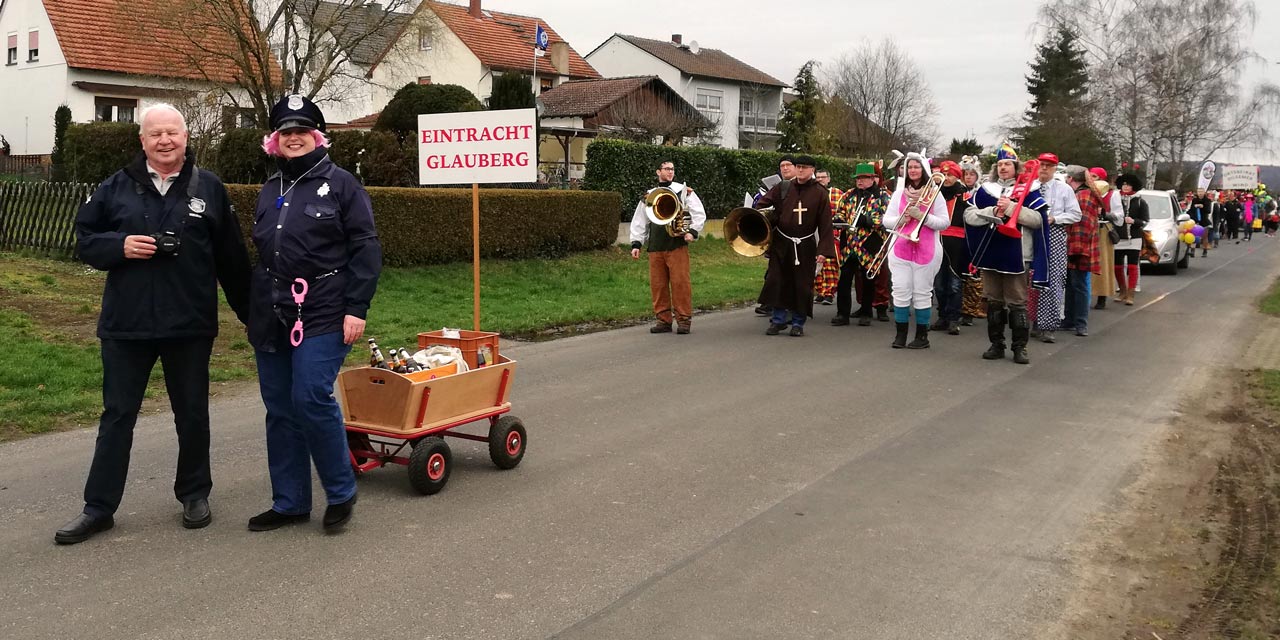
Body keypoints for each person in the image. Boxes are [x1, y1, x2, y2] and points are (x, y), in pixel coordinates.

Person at [59, 104, 251, 545]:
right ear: (141, 141)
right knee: (117, 416)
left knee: (192, 414)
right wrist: (119, 246)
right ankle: (98, 508)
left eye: (173, 132)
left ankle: (195, 493)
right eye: (155, 134)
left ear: (186, 137)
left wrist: (252, 317)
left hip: (189, 323)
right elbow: (84, 242)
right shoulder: (115, 187)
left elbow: (234, 262)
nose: (165, 140)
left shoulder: (211, 189)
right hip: (127, 326)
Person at [246, 95, 382, 533]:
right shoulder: (270, 190)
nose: (294, 137)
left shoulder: (343, 185)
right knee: (280, 408)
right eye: (286, 131)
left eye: (302, 130)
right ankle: (290, 502)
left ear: (317, 136)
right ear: (275, 140)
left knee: (309, 396)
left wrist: (356, 308)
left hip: (325, 309)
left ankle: (341, 491)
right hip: (272, 311)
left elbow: (365, 247)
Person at [964, 143, 1050, 365]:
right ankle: (997, 344)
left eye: (1007, 164)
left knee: (1017, 302)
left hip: (1018, 254)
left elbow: (1037, 220)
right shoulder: (986, 190)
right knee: (993, 301)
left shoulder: (1029, 190)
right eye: (1000, 164)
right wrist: (991, 211)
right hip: (991, 252)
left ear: (1016, 167)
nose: (1003, 168)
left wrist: (1012, 208)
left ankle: (1020, 347)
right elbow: (969, 216)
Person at [755, 155, 835, 336]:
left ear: (812, 170)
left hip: (805, 245)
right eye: (798, 166)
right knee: (776, 281)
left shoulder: (819, 192)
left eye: (804, 167)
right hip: (781, 243)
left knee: (802, 285)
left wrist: (823, 250)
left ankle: (798, 323)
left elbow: (825, 224)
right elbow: (762, 205)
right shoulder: (784, 187)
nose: (800, 170)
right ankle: (778, 320)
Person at [630, 160, 707, 334]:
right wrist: (636, 243)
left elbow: (698, 212)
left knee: (680, 284)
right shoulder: (649, 195)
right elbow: (640, 220)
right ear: (658, 172)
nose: (670, 172)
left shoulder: (683, 190)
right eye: (666, 169)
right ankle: (663, 320)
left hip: (676, 245)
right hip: (656, 246)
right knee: (658, 285)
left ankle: (684, 320)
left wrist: (692, 232)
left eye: (672, 169)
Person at [882, 153, 950, 349]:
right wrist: (900, 220)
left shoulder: (935, 193)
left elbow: (944, 222)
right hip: (901, 248)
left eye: (916, 166)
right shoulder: (898, 193)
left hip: (926, 250)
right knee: (900, 290)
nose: (912, 170)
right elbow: (886, 220)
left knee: (922, 292)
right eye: (909, 167)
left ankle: (922, 336)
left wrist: (923, 216)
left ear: (924, 169)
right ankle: (900, 334)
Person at [1027, 153, 1079, 344]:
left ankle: (1048, 325)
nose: (1044, 169)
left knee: (1052, 279)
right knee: (1031, 279)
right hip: (1031, 233)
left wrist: (1055, 218)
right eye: (1042, 165)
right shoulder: (1030, 187)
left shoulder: (1064, 189)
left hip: (1054, 235)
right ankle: (1031, 320)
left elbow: (1075, 214)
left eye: (1049, 166)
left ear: (1055, 168)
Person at [831, 162, 890, 327]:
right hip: (849, 243)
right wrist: (839, 218)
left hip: (869, 243)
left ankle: (866, 312)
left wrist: (869, 220)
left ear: (873, 179)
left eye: (864, 178)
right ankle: (842, 314)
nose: (860, 181)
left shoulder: (882, 196)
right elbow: (841, 211)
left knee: (868, 279)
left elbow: (886, 217)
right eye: (858, 178)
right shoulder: (849, 195)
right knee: (844, 279)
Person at [1061, 165, 1102, 337]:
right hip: (1077, 244)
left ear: (1071, 179)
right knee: (1071, 284)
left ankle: (1080, 323)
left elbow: (1081, 224)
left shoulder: (1083, 195)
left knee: (1079, 285)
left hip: (1080, 245)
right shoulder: (1083, 193)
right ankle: (1070, 320)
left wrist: (1076, 248)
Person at [755, 155, 797, 316]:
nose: (785, 168)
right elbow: (762, 204)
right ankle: (773, 306)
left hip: (801, 238)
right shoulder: (780, 186)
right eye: (782, 166)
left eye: (788, 165)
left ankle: (793, 309)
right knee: (775, 274)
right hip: (780, 237)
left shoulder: (807, 187)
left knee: (795, 276)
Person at [932, 160, 970, 336]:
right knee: (939, 284)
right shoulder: (934, 194)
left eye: (950, 175)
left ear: (957, 177)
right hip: (937, 240)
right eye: (944, 175)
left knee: (954, 284)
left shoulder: (965, 196)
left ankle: (954, 318)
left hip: (957, 245)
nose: (946, 178)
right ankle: (943, 316)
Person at [1112, 172, 1149, 305]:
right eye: (1124, 184)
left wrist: (1134, 221)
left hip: (1134, 238)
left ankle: (1130, 293)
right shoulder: (1115, 199)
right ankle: (1122, 290)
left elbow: (1145, 221)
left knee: (1132, 266)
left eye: (1128, 185)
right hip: (1118, 237)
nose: (1125, 187)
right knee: (1117, 266)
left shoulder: (1140, 201)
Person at [1090, 168, 1124, 310]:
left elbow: (1119, 216)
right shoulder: (1087, 191)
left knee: (1103, 263)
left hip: (1103, 230)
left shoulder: (1112, 194)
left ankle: (1102, 296)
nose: (1092, 179)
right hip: (1088, 228)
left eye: (1095, 176)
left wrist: (1105, 213)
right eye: (1090, 176)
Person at [958, 156, 986, 326]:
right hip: (960, 236)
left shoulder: (981, 193)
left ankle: (970, 310)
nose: (968, 177)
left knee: (974, 274)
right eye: (965, 174)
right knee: (960, 274)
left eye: (971, 174)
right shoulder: (958, 192)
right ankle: (958, 308)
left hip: (976, 235)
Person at [813, 168, 841, 305]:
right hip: (814, 234)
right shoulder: (811, 193)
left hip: (832, 234)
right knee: (816, 263)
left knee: (829, 264)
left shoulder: (837, 194)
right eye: (817, 177)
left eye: (822, 177)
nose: (820, 180)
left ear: (828, 179)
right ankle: (820, 292)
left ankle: (829, 293)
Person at [1188, 188, 1215, 257]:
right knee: (1193, 236)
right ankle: (1192, 251)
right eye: (1198, 192)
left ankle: (1205, 250)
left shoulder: (1207, 200)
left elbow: (1208, 211)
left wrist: (1202, 207)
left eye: (1201, 192)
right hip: (1195, 220)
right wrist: (1194, 208)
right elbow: (1191, 210)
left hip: (1204, 220)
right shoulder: (1194, 200)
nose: (1200, 193)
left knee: (1204, 237)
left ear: (1204, 193)